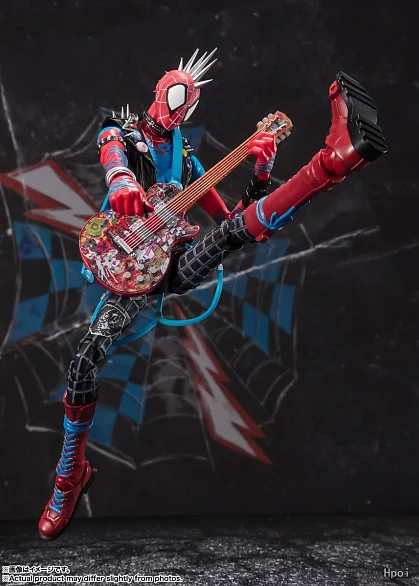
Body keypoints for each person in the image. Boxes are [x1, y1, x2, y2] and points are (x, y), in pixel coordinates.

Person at [38, 49, 386, 539]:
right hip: (127, 265)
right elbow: (110, 149)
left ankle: (332, 161)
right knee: (83, 364)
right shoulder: (123, 129)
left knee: (230, 235)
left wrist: (261, 172)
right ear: (160, 89)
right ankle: (69, 474)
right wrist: (120, 180)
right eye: (176, 95)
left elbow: (234, 218)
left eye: (189, 103)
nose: (179, 108)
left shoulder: (187, 160)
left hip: (172, 264)